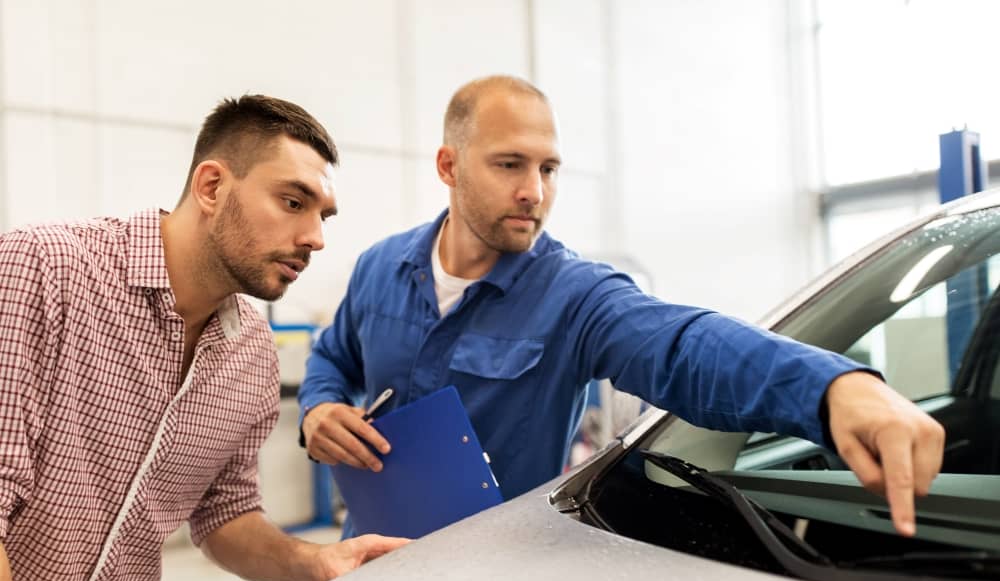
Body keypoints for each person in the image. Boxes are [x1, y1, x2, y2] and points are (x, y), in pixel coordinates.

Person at [298, 76, 944, 542]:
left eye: (549, 168)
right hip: (369, 552)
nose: (535, 191)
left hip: (488, 574)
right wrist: (319, 409)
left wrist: (832, 388)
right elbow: (333, 355)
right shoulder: (381, 268)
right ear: (449, 165)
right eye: (509, 164)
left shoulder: (572, 295)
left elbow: (681, 345)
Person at [0, 95, 408, 581]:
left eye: (322, 216)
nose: (316, 237)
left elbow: (225, 517)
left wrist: (321, 562)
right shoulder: (43, 269)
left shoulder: (251, 354)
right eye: (293, 202)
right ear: (212, 187)